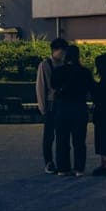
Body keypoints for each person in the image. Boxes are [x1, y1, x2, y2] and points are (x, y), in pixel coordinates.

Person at [50, 44, 93, 176]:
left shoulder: (58, 71)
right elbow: (90, 89)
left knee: (62, 139)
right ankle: (79, 168)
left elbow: (53, 86)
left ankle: (63, 168)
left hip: (62, 108)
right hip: (79, 107)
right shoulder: (85, 72)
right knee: (79, 140)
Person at [35, 37, 69, 173]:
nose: (64, 54)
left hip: (63, 103)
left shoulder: (64, 64)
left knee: (62, 135)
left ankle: (61, 162)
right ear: (56, 50)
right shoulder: (45, 65)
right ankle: (48, 162)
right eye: (63, 51)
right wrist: (42, 107)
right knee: (49, 136)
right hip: (51, 104)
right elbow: (41, 87)